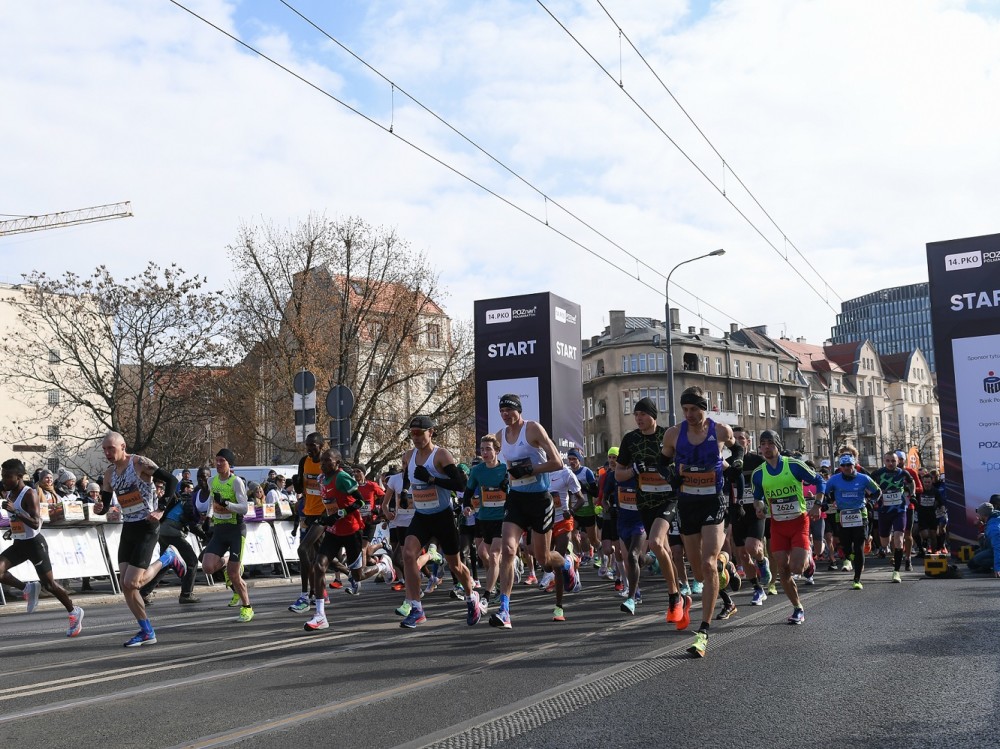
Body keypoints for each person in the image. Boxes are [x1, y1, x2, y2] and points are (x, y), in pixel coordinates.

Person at [661, 387, 745, 657]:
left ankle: (703, 632)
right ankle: (724, 562)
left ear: (703, 408)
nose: (689, 415)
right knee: (699, 574)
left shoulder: (720, 430)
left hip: (713, 500)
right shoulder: (674, 434)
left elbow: (738, 448)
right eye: (685, 410)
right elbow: (660, 460)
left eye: (694, 409)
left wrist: (739, 460)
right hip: (687, 503)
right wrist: (670, 476)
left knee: (707, 565)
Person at [489, 394, 578, 628]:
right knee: (509, 550)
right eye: (502, 411)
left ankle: (568, 563)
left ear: (519, 410)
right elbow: (504, 465)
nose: (505, 414)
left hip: (540, 499)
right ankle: (505, 609)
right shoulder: (500, 436)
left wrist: (531, 470)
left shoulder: (533, 429)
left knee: (544, 559)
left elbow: (557, 462)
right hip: (516, 499)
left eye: (509, 410)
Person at [95, 431, 186, 647]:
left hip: (147, 525)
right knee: (126, 586)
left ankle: (168, 558)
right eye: (105, 449)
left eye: (111, 448)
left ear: (123, 446)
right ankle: (147, 632)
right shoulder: (109, 474)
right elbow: (105, 505)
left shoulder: (139, 463)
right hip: (129, 527)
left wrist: (161, 510)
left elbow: (173, 480)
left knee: (132, 581)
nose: (108, 453)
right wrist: (100, 509)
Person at [398, 415, 479, 628]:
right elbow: (407, 476)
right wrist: (405, 492)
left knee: (455, 565)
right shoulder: (408, 455)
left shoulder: (440, 455)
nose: (415, 438)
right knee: (408, 554)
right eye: (412, 433)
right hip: (422, 516)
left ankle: (471, 598)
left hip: (443, 516)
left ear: (431, 432)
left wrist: (432, 479)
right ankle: (416, 608)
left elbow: (461, 484)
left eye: (419, 433)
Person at [616, 396, 686, 623]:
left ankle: (674, 596)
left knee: (656, 542)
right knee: (660, 549)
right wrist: (635, 470)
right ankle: (679, 589)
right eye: (636, 414)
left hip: (668, 499)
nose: (639, 418)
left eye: (643, 414)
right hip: (644, 502)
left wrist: (668, 471)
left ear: (653, 416)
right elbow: (618, 474)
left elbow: (682, 464)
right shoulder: (630, 440)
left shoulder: (667, 436)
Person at [0, 458, 84, 637]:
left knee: (50, 585)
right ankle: (27, 588)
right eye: (2, 476)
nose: (4, 480)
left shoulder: (28, 493)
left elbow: (36, 522)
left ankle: (73, 611)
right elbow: (18, 522)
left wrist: (15, 511)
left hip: (35, 545)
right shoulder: (9, 494)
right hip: (19, 544)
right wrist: (12, 530)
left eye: (7, 476)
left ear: (19, 476)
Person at [750, 430, 825, 626]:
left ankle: (809, 560)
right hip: (777, 525)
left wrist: (817, 505)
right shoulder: (759, 473)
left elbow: (819, 481)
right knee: (783, 569)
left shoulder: (793, 465)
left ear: (778, 445)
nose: (766, 447)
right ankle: (798, 608)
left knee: (797, 567)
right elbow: (757, 497)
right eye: (762, 443)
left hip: (799, 522)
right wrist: (759, 507)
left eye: (770, 443)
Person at [304, 449, 383, 630]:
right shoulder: (321, 479)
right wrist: (323, 518)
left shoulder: (342, 478)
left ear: (337, 463)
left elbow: (360, 502)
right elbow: (329, 504)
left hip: (351, 531)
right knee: (318, 566)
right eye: (322, 461)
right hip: (333, 531)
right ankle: (320, 615)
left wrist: (339, 513)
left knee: (358, 576)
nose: (323, 464)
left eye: (327, 461)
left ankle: (383, 566)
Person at [195, 449, 253, 622]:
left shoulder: (236, 482)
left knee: (234, 575)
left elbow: (244, 508)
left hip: (236, 529)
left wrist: (227, 504)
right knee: (207, 567)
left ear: (229, 463)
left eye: (222, 461)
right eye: (217, 460)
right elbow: (214, 501)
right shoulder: (212, 481)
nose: (218, 464)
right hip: (220, 530)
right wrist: (209, 516)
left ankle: (247, 607)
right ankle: (227, 562)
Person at [139, 475, 205, 604]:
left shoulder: (186, 500)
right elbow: (192, 525)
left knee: (166, 562)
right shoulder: (191, 502)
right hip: (172, 533)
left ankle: (144, 593)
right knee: (192, 561)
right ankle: (186, 594)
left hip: (163, 532)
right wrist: (206, 537)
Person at [463, 435, 508, 613]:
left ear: (497, 451)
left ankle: (487, 596)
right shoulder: (477, 471)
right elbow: (467, 492)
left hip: (503, 518)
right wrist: (466, 506)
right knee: (484, 553)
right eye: (482, 449)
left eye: (488, 449)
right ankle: (499, 577)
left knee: (495, 555)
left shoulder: (505, 469)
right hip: (484, 518)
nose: (485, 453)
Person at [823, 454, 881, 589]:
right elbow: (825, 492)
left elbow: (877, 491)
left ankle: (857, 579)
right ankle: (850, 558)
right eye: (843, 465)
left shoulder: (863, 478)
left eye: (849, 465)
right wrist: (826, 502)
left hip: (860, 513)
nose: (846, 468)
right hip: (842, 514)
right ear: (840, 467)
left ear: (854, 465)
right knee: (845, 545)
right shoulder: (834, 479)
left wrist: (872, 501)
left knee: (859, 546)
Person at [729, 426, 771, 606]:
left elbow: (770, 484)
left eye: (741, 438)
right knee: (742, 555)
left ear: (748, 441)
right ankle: (757, 589)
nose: (738, 441)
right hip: (737, 511)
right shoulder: (728, 462)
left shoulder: (758, 461)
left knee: (752, 546)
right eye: (735, 439)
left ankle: (762, 561)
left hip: (756, 510)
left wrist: (766, 506)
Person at [289, 432, 328, 612]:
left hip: (324, 515)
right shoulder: (304, 461)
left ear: (321, 446)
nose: (310, 450)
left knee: (303, 550)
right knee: (317, 556)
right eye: (307, 446)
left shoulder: (327, 463)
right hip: (308, 513)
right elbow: (300, 489)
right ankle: (324, 589)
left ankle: (306, 595)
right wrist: (296, 482)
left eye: (313, 446)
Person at [871, 452, 915, 583]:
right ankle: (887, 546)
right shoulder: (877, 473)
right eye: (888, 461)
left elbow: (911, 482)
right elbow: (868, 485)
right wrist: (872, 497)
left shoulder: (903, 473)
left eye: (893, 461)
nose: (891, 463)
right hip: (884, 511)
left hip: (899, 510)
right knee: (884, 541)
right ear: (884, 461)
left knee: (899, 539)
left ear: (898, 461)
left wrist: (911, 495)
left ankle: (896, 572)